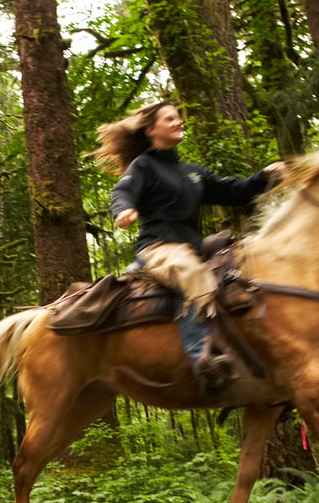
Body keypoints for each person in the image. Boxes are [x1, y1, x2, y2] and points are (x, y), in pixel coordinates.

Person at [92, 101, 285, 392]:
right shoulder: (143, 165)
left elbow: (234, 191)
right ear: (152, 129)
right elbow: (123, 191)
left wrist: (265, 177)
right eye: (170, 118)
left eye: (178, 117)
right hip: (157, 250)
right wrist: (124, 210)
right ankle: (204, 361)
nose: (178, 121)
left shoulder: (193, 172)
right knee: (194, 275)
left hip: (192, 250)